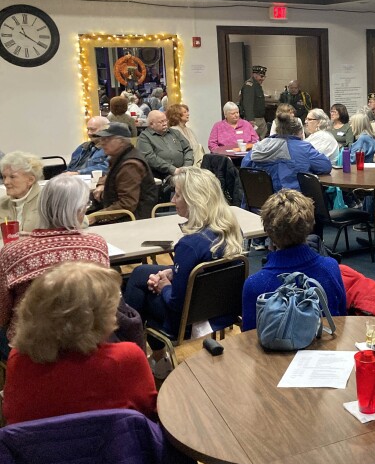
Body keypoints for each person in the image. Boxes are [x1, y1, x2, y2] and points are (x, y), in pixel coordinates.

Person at [2, 262, 157, 426]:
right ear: (95, 318)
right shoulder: (126, 357)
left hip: (37, 451)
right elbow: (150, 414)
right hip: (118, 450)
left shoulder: (18, 360)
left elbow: (12, 419)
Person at [124, 167, 244, 379]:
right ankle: (154, 360)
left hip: (186, 322)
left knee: (140, 293)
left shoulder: (189, 245)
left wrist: (164, 286)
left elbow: (176, 304)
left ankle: (136, 360)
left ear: (194, 199)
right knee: (142, 272)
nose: (172, 199)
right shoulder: (231, 230)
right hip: (222, 311)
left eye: (178, 194)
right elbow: (203, 269)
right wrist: (172, 272)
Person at [0, 175, 109, 358]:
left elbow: (2, 314)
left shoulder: (13, 252)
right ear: (79, 210)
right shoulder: (97, 245)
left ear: (42, 207)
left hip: (30, 347)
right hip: (86, 341)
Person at [241, 189, 346, 331]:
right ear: (310, 224)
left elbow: (250, 338)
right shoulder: (330, 267)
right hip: (328, 348)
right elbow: (342, 320)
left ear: (267, 229)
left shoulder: (255, 285)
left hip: (276, 352)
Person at [241, 113, 331, 192]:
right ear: (299, 132)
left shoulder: (259, 147)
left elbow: (244, 170)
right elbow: (325, 166)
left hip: (259, 207)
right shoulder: (302, 148)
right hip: (292, 206)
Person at [137, 110, 194, 179]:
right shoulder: (144, 137)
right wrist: (172, 170)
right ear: (151, 124)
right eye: (161, 122)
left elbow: (188, 149)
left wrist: (186, 167)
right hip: (160, 175)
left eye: (165, 121)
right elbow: (149, 157)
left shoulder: (175, 133)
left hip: (183, 173)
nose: (165, 124)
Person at [0, 151, 43, 232]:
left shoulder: (45, 203)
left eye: (12, 177)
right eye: (4, 177)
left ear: (30, 180)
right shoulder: (1, 204)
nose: (6, 182)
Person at [239, 65, 268, 138]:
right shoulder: (250, 85)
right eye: (261, 76)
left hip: (260, 118)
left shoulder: (257, 85)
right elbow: (248, 104)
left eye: (264, 77)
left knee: (262, 138)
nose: (262, 79)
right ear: (254, 75)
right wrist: (250, 119)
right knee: (253, 139)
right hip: (254, 119)